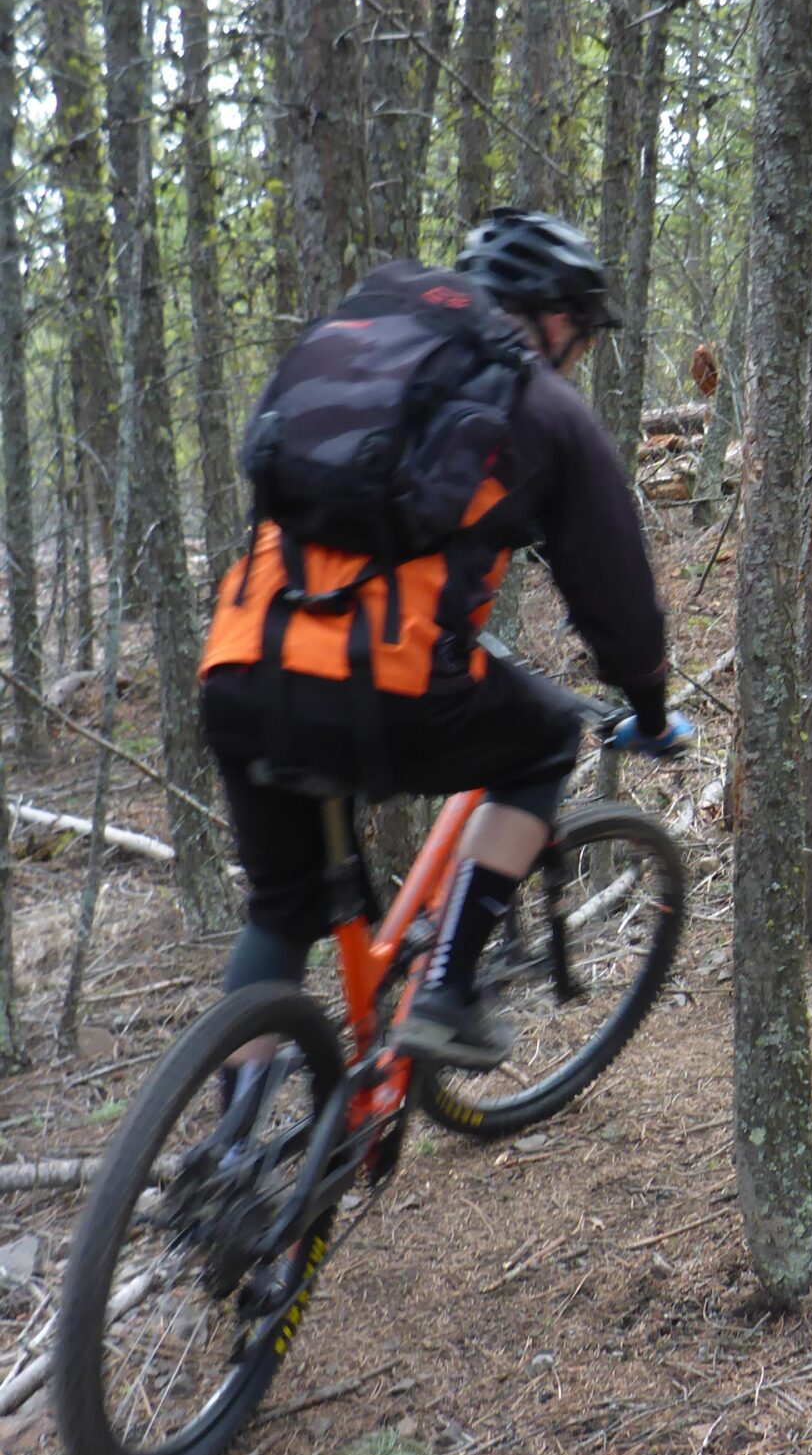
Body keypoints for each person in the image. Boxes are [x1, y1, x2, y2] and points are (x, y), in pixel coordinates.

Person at [199, 209, 692, 1070]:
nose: (576, 352)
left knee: (280, 913)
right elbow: (617, 601)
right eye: (578, 331)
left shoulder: (356, 351)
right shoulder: (540, 402)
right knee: (542, 743)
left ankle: (232, 1156)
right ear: (554, 318)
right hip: (380, 683)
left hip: (240, 663)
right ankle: (447, 989)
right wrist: (648, 707)